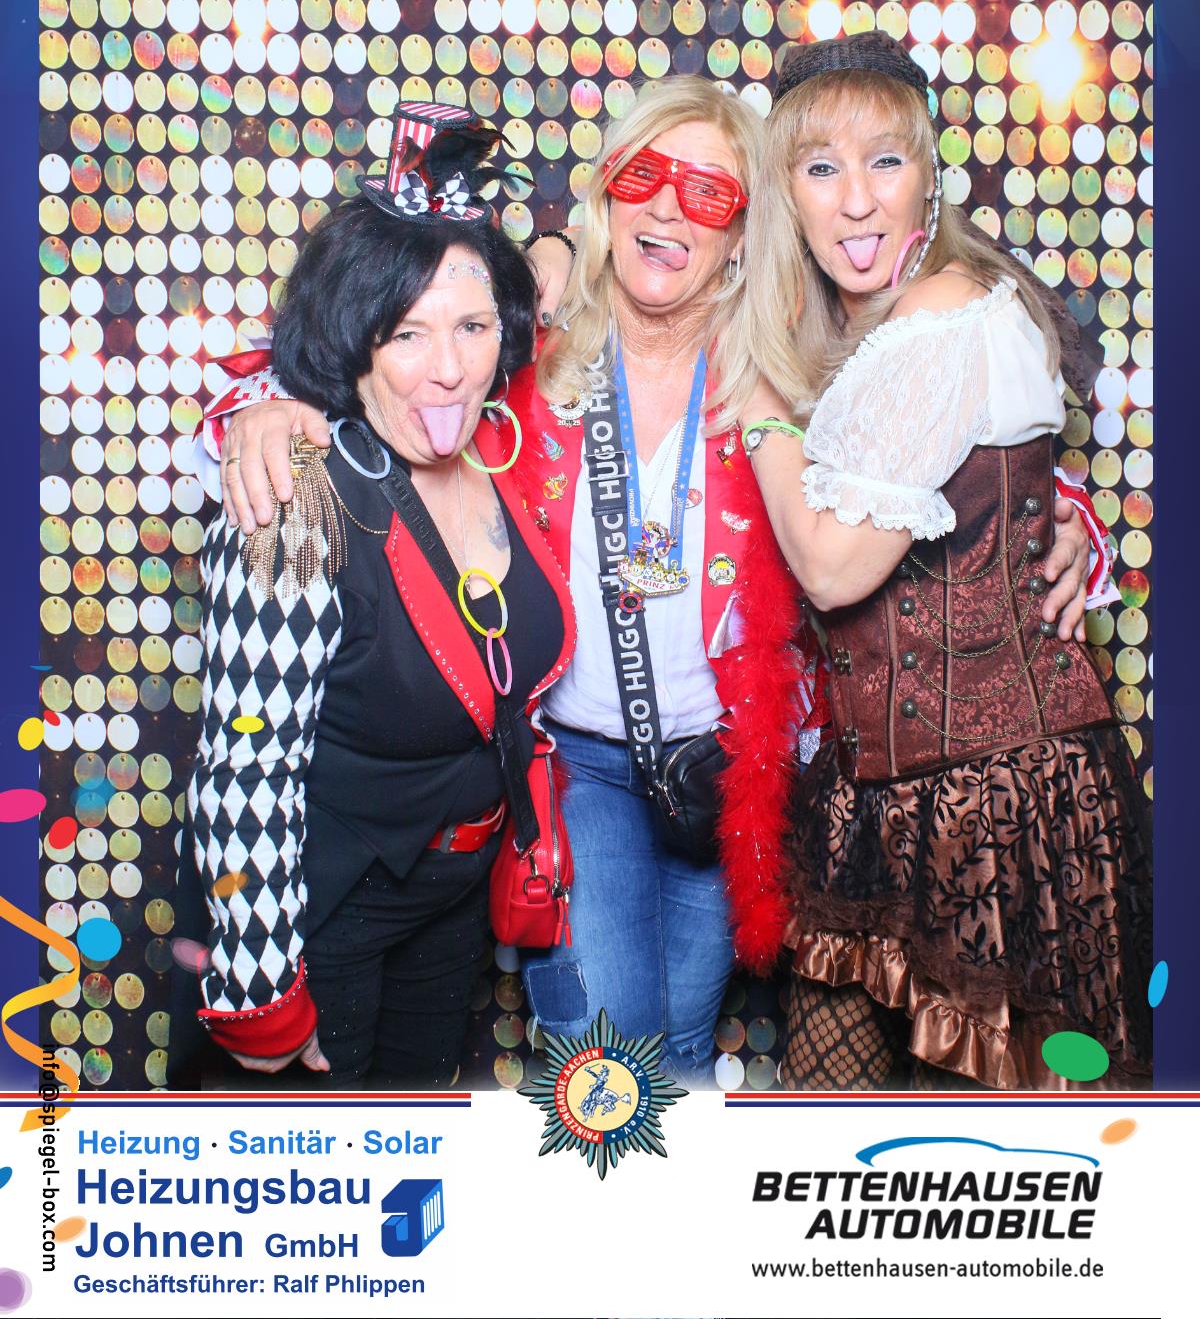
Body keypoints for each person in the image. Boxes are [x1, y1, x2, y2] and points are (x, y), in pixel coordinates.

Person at [202, 74, 1094, 1085]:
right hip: (577, 769)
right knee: (610, 1069)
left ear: (743, 232)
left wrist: (1067, 522)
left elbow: (961, 449)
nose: (669, 208)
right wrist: (271, 408)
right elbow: (377, 339)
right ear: (607, 197)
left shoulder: (798, 371)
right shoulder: (525, 352)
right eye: (644, 178)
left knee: (679, 1055)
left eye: (708, 193)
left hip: (726, 778)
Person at [737, 33, 1151, 1089]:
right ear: (786, 193)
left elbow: (833, 568)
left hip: (1000, 808)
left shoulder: (942, 313)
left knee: (995, 1154)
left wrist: (764, 418)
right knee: (828, 1125)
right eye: (821, 167)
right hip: (867, 804)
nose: (857, 200)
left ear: (928, 174)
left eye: (886, 160)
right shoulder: (843, 329)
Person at [182, 104, 574, 1088]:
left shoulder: (500, 457)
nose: (449, 368)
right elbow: (243, 770)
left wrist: (559, 244)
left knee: (414, 1152)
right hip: (326, 914)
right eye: (408, 333)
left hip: (450, 908)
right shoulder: (296, 498)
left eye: (473, 327)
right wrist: (261, 995)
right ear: (355, 339)